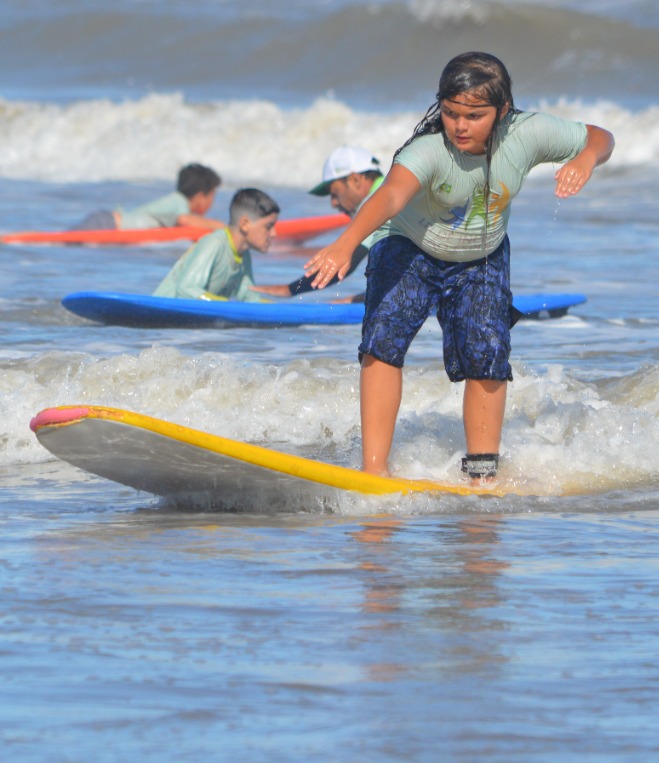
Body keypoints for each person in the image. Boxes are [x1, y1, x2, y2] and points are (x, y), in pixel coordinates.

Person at [304, 51, 614, 481]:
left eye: (474, 115)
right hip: (409, 245)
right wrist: (346, 243)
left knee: (488, 351)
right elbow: (390, 195)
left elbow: (599, 136)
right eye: (450, 113)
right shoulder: (430, 149)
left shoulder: (527, 133)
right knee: (383, 339)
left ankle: (483, 476)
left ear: (502, 111)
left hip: (481, 257)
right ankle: (374, 470)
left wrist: (585, 159)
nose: (460, 126)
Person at [252, 146, 382, 301]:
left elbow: (345, 262)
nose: (333, 203)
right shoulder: (393, 190)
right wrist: (358, 299)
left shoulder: (377, 202)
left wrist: (290, 289)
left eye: (335, 193)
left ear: (355, 180)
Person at [151, 188, 279, 302]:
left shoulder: (243, 255)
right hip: (159, 314)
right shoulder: (214, 244)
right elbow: (186, 290)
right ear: (245, 224)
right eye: (268, 226)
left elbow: (249, 298)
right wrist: (224, 305)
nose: (274, 234)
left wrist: (276, 308)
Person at [73, 163, 224, 231]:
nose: (212, 202)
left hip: (107, 222)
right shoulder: (179, 202)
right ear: (200, 197)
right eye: (212, 196)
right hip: (107, 224)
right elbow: (184, 220)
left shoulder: (176, 201)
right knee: (62, 241)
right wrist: (222, 227)